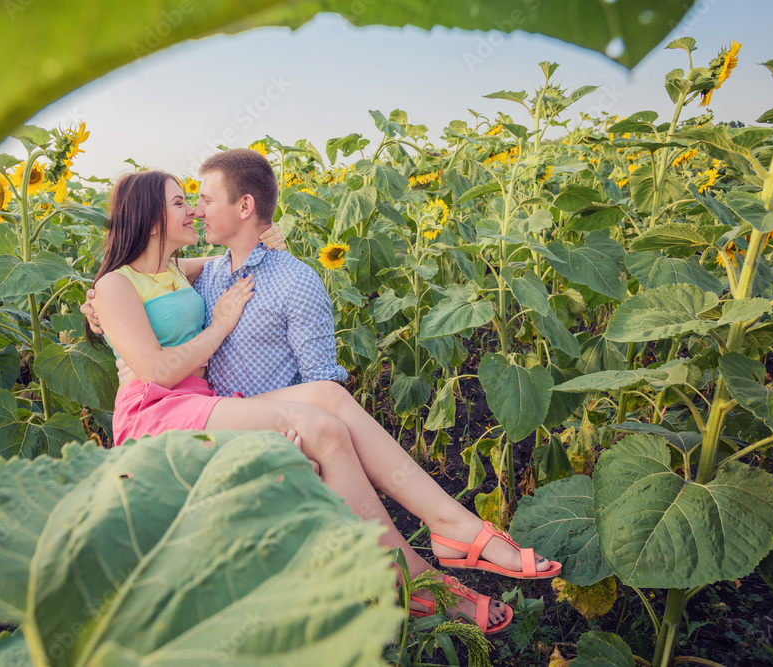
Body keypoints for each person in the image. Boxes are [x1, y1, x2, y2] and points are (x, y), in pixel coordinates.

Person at [84, 150, 561, 634]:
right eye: (182, 202)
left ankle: (449, 532)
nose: (194, 210)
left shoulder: (179, 270)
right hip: (158, 417)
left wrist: (267, 239)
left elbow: (226, 259)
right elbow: (157, 371)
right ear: (148, 218)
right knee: (316, 426)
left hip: (202, 404)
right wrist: (219, 324)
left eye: (198, 200)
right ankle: (413, 578)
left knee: (329, 406)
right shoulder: (113, 286)